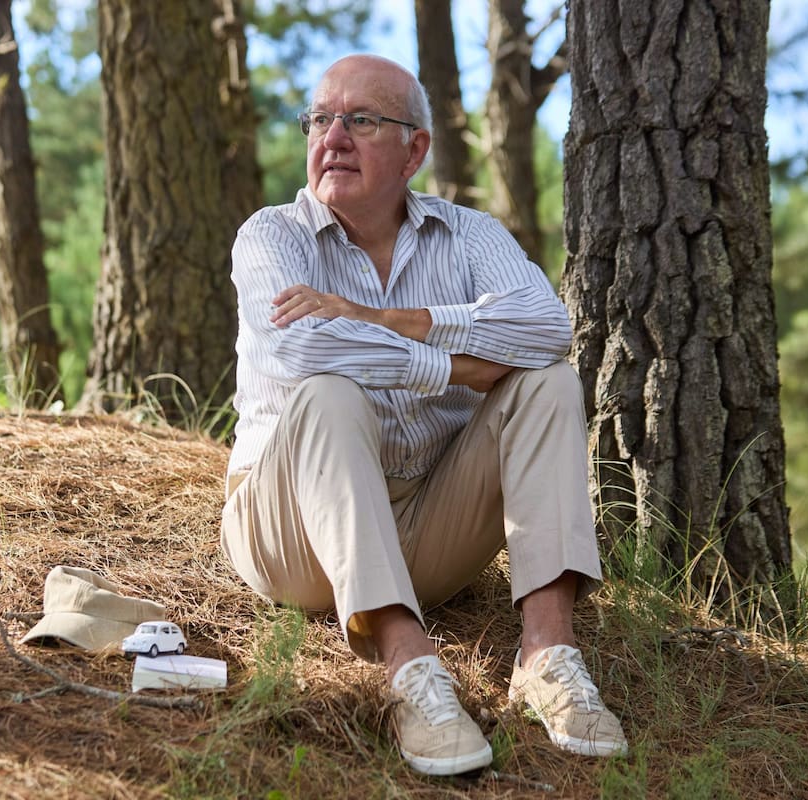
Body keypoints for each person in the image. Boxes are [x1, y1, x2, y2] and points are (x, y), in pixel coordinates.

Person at [219, 53, 627, 776]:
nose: (333, 136)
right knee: (329, 393)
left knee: (549, 385)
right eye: (321, 118)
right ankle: (408, 668)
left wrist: (382, 318)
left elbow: (545, 331)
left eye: (361, 120)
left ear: (415, 149)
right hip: (293, 539)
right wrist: (454, 366)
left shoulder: (470, 235)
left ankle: (547, 652)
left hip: (430, 528)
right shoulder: (271, 236)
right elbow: (306, 353)